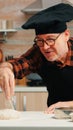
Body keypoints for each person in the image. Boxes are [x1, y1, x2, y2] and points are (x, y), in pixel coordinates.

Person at [0, 3, 73, 113]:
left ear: (66, 35)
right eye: (40, 40)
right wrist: (5, 68)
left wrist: (69, 104)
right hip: (55, 117)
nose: (45, 47)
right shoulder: (39, 52)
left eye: (50, 39)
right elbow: (19, 64)